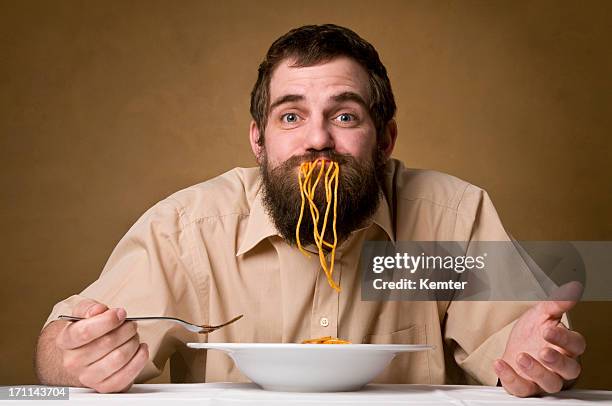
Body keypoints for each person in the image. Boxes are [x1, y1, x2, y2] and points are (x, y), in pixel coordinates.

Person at [34, 24, 585, 397]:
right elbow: (64, 348)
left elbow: (514, 357)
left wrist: (533, 360)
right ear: (258, 139)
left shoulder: (450, 218)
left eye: (344, 116)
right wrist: (71, 356)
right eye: (291, 117)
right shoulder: (187, 230)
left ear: (386, 137)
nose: (316, 140)